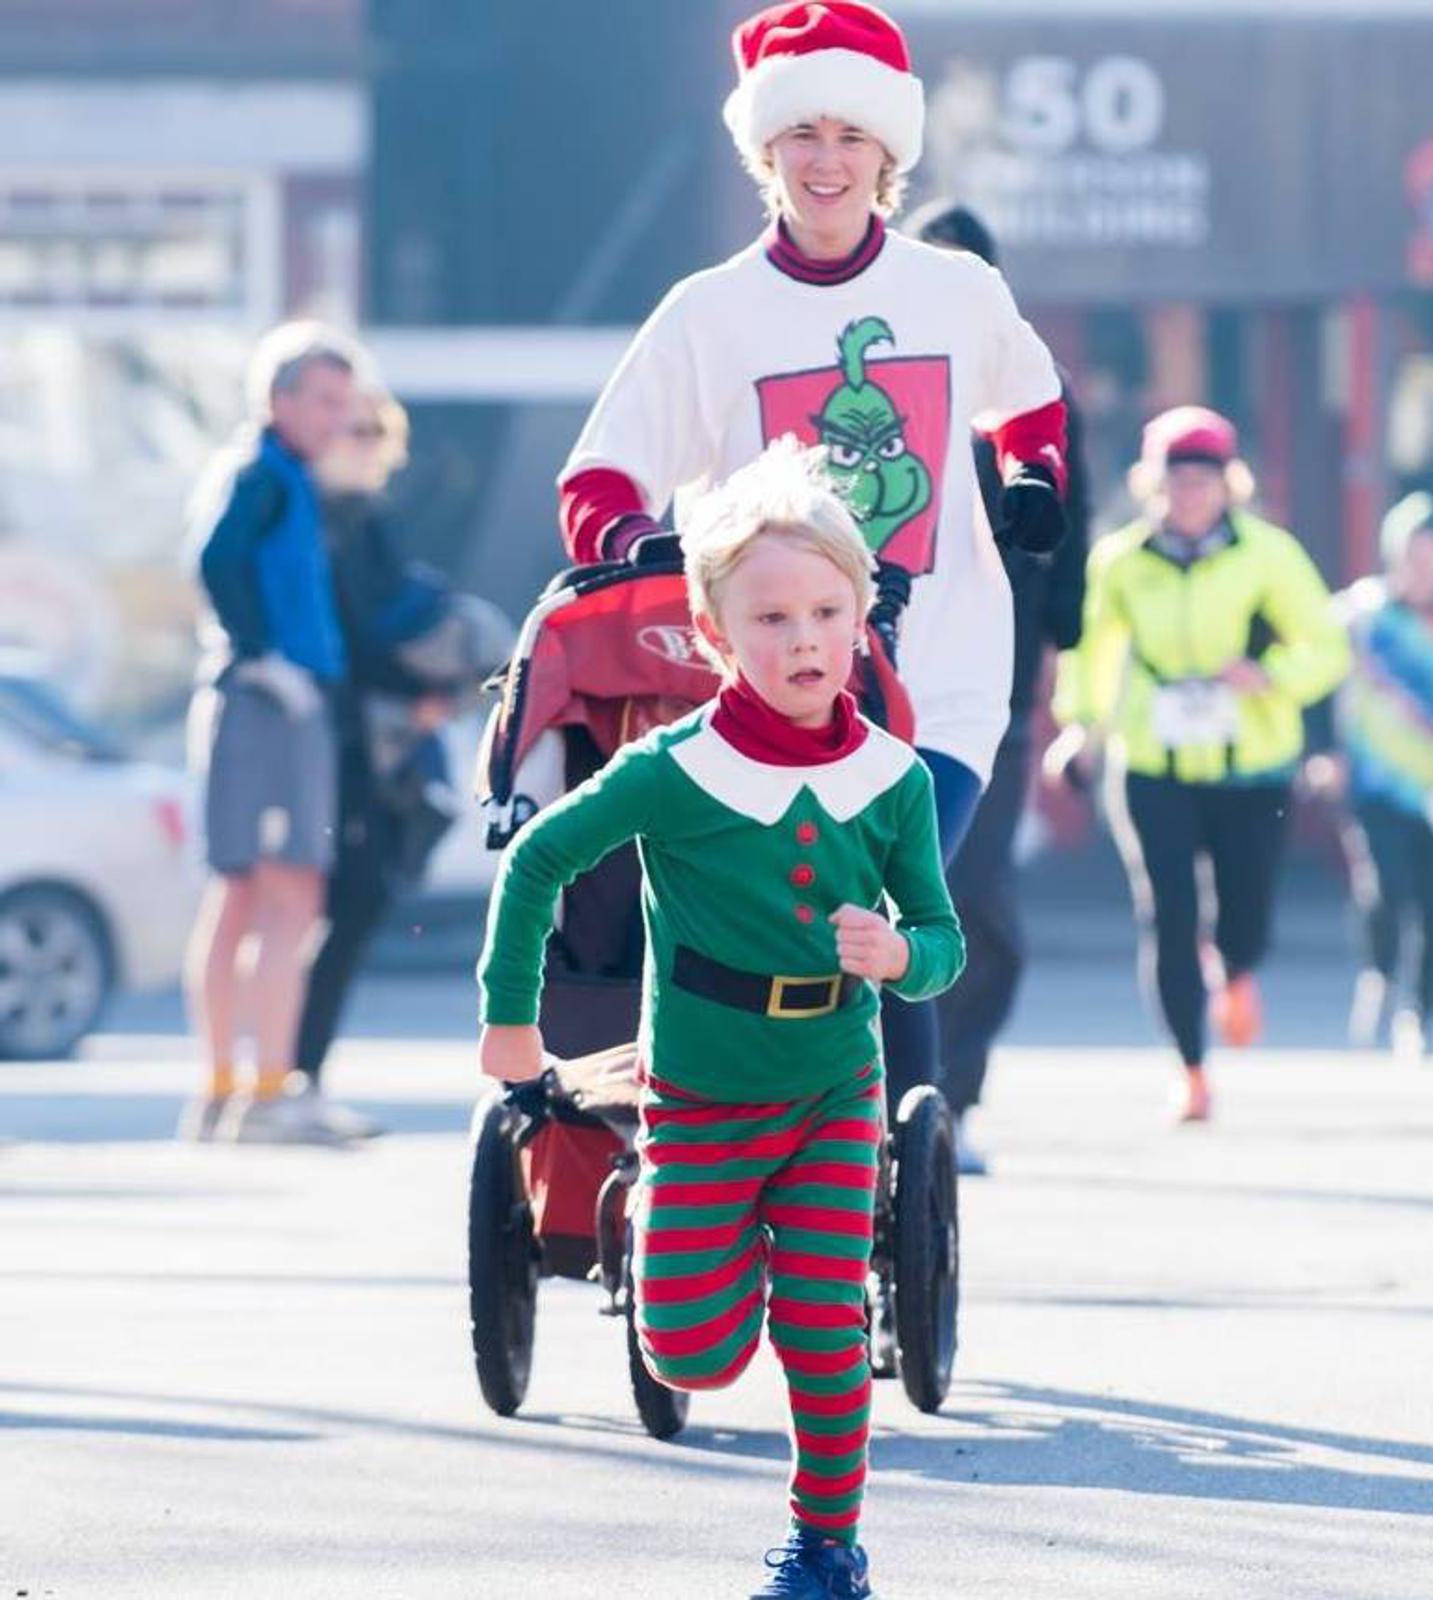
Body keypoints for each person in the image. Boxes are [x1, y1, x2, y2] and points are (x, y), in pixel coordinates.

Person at [556, 1, 1066, 1122]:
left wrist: (1032, 479)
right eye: (803, 135)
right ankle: (734, 1127)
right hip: (765, 696)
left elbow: (1030, 405)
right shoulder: (708, 315)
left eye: (851, 136)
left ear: (888, 153)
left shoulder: (958, 292)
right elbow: (595, 483)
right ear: (764, 149)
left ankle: (899, 1154)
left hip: (942, 689)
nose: (826, 161)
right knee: (766, 922)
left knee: (882, 896)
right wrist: (642, 547)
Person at [478, 440, 963, 1600]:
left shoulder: (894, 778)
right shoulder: (672, 767)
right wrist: (508, 1020)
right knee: (694, 1347)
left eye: (825, 612)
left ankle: (823, 1549)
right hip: (696, 1093)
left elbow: (942, 943)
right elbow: (537, 859)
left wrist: (899, 952)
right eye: (769, 618)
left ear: (860, 621)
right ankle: (676, 1232)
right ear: (715, 636)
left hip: (833, 1088)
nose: (801, 639)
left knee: (819, 1330)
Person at [1057, 406, 1349, 1122]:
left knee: (1244, 909)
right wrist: (1081, 729)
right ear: (1152, 484)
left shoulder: (1269, 554)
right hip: (1152, 759)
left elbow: (1327, 647)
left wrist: (1271, 674)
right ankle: (1190, 1068)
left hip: (1252, 762)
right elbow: (1092, 650)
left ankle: (1240, 968)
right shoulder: (1120, 559)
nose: (1189, 494)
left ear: (1229, 485)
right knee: (1168, 912)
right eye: (1175, 479)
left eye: (1203, 479)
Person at [901, 197, 1090, 1174]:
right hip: (869, 680)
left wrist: (1057, 654)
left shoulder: (1033, 388)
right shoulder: (877, 372)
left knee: (973, 897)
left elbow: (1070, 533)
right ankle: (859, 1099)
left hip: (996, 687)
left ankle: (949, 1097)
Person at [180, 322, 354, 1143]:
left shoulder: (274, 474)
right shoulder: (265, 474)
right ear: (278, 398)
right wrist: (262, 656)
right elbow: (214, 561)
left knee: (245, 892)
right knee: (286, 893)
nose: (334, 418)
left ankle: (227, 1086)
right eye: (322, 399)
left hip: (258, 699)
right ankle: (263, 1091)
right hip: (267, 704)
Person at [289, 382, 462, 1136]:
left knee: (361, 899)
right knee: (327, 902)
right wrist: (418, 683)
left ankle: (299, 1072)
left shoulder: (370, 518)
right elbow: (351, 633)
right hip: (328, 739)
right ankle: (288, 1076)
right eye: (345, 427)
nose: (356, 442)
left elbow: (393, 622)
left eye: (369, 430)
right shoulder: (310, 515)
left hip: (374, 741)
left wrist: (437, 684)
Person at [1318, 493, 1433, 1059]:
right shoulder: (1358, 616)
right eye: (1412, 552)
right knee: (1385, 886)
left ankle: (1421, 1011)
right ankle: (1379, 973)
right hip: (1376, 780)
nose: (1423, 563)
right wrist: (1324, 751)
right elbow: (1320, 687)